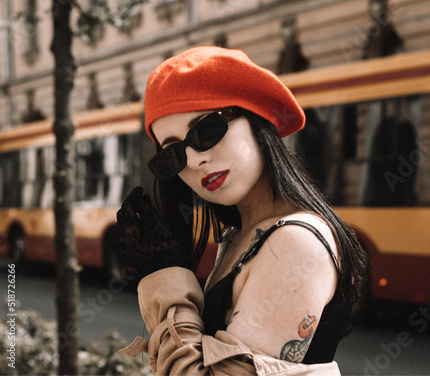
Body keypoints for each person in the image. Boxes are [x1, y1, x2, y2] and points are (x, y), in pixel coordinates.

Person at [108, 46, 368, 376]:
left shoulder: (294, 243)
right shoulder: (237, 235)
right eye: (173, 154)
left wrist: (163, 276)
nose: (194, 160)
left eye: (205, 130)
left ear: (256, 118)